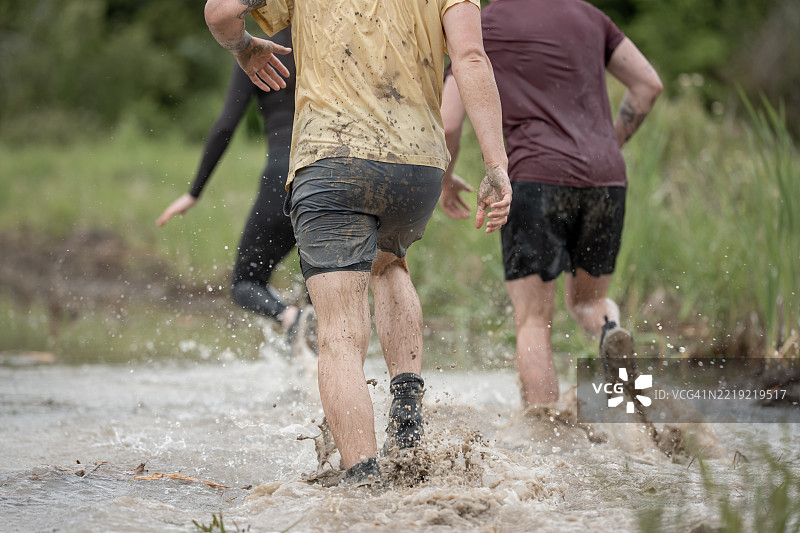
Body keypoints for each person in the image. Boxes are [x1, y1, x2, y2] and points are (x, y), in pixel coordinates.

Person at [204, 0, 512, 486]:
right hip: (416, 164)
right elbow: (471, 58)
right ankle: (407, 420)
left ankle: (363, 480)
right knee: (390, 267)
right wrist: (496, 165)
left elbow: (220, 12)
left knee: (340, 335)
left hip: (331, 159)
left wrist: (242, 48)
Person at [440, 0, 663, 408]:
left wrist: (445, 178)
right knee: (588, 302)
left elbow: (450, 121)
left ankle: (543, 436)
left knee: (533, 319)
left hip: (536, 176)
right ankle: (610, 330)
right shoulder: (590, 16)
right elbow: (649, 85)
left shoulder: (485, 21)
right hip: (606, 179)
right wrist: (606, 147)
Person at [156, 27, 308, 342]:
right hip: (336, 172)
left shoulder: (260, 49)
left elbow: (226, 124)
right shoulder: (330, 39)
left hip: (285, 177)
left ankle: (289, 317)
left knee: (246, 283)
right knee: (329, 284)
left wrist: (193, 191)